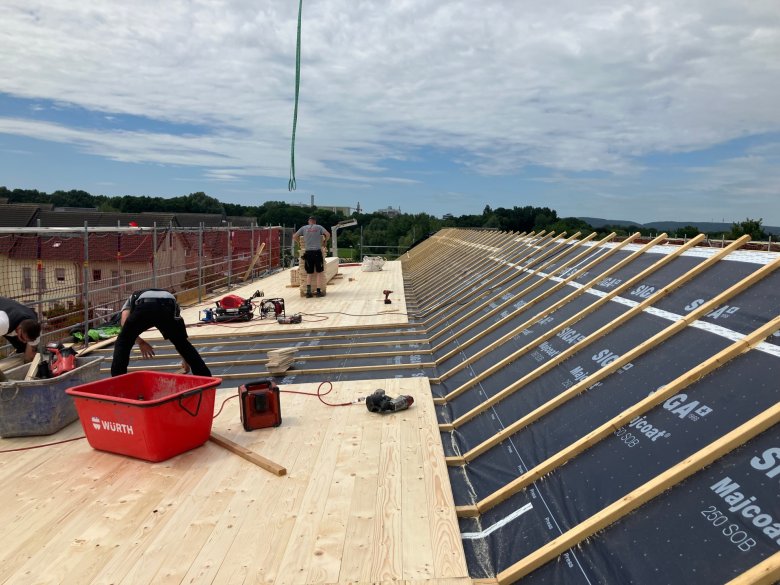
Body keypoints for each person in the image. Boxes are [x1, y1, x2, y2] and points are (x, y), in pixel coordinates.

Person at [111, 289, 211, 377]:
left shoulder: (129, 301)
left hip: (145, 306)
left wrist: (141, 342)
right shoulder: (162, 294)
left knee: (123, 342)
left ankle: (118, 378)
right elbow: (179, 332)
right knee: (181, 343)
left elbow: (124, 325)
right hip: (169, 304)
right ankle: (204, 376)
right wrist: (186, 359)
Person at [294, 216, 331, 297]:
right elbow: (328, 234)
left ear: (309, 221)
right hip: (317, 252)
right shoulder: (319, 227)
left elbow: (294, 236)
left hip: (308, 253)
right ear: (315, 221)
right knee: (319, 272)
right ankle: (318, 292)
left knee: (309, 273)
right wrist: (325, 241)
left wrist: (298, 243)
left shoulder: (303, 228)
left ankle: (308, 292)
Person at [0, 297, 41, 363]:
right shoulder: (3, 324)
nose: (24, 341)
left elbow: (31, 348)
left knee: (23, 347)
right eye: (22, 337)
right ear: (19, 328)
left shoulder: (35, 327)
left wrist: (28, 362)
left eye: (27, 340)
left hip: (12, 313)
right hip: (4, 316)